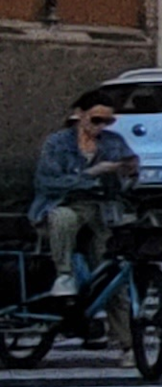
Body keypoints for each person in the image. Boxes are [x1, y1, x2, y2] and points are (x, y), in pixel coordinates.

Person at [30, 91, 139, 296]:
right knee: (64, 218)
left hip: (101, 207)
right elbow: (47, 182)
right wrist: (90, 174)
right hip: (63, 203)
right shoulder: (58, 143)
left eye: (108, 121)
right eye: (96, 120)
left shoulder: (113, 142)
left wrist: (128, 172)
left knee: (110, 272)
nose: (101, 127)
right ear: (80, 114)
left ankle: (120, 323)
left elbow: (129, 176)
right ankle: (64, 274)